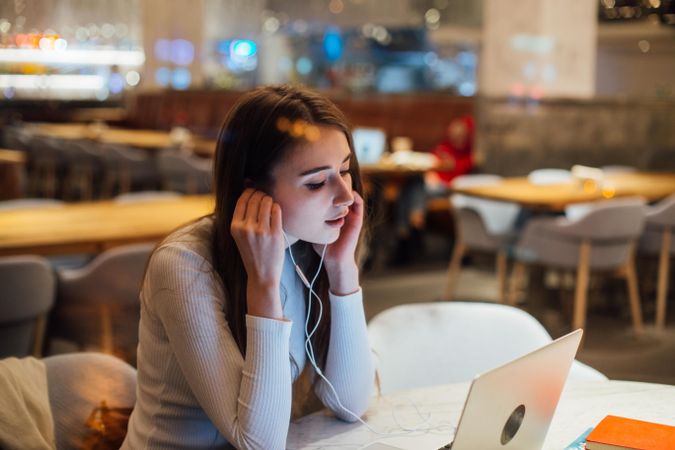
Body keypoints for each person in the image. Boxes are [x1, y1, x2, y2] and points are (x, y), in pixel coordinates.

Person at [122, 85, 375, 449]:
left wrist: (342, 271)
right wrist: (264, 284)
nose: (346, 195)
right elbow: (260, 443)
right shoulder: (183, 265)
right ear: (252, 193)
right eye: (317, 182)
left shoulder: (305, 247)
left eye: (345, 170)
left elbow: (350, 404)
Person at [390, 115, 475, 265]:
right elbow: (431, 161)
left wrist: (442, 175)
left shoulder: (469, 155)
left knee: (413, 187)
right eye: (454, 133)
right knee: (412, 185)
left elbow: (459, 171)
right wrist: (431, 174)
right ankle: (414, 219)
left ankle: (404, 232)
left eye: (461, 134)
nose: (457, 137)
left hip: (450, 189)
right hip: (432, 186)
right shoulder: (444, 148)